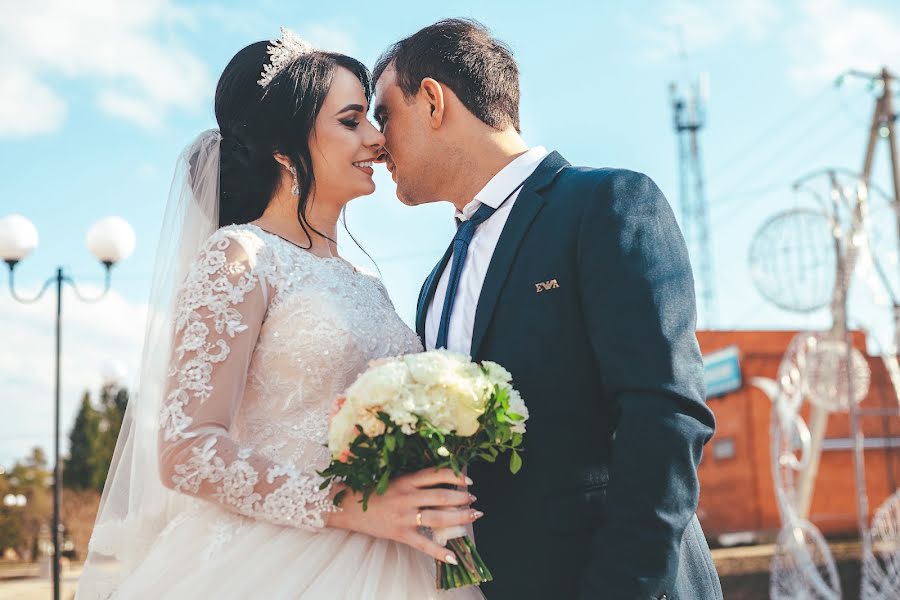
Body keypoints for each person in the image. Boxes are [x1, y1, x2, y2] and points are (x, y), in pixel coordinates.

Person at [76, 29, 483, 600]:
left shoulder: (364, 277)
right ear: (286, 150)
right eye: (351, 121)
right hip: (278, 564)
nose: (376, 139)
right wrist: (352, 506)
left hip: (401, 556)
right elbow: (186, 450)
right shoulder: (241, 256)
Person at [372, 18, 724, 600]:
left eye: (385, 113)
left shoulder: (606, 204)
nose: (377, 141)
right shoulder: (434, 285)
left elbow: (665, 416)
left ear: (432, 100)